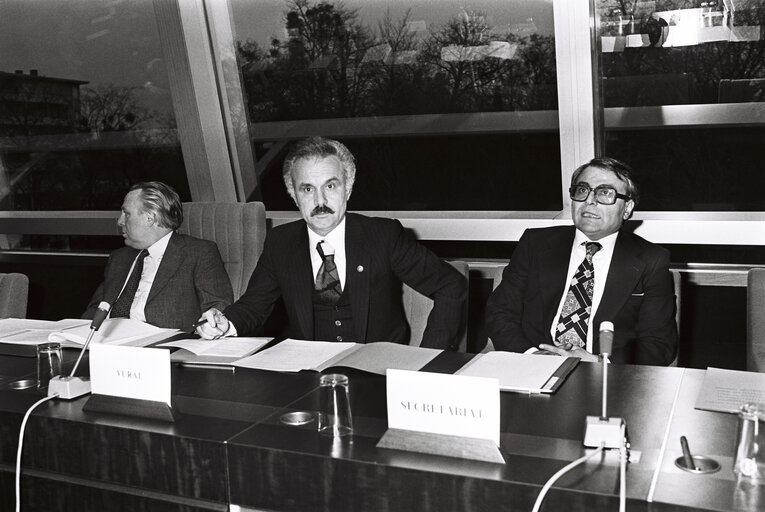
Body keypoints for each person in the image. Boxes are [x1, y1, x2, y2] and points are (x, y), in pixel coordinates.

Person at [197, 136, 467, 350]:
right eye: (307, 189)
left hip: (377, 373)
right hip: (306, 375)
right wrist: (225, 323)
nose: (320, 201)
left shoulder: (383, 236)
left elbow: (451, 286)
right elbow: (254, 305)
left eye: (330, 186)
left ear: (347, 188)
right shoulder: (281, 243)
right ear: (294, 195)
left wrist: (429, 358)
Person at [485, 157, 677, 365]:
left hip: (605, 375)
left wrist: (597, 362)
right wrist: (532, 355)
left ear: (628, 207)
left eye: (605, 193)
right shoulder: (536, 244)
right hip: (531, 365)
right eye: (582, 190)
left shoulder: (651, 259)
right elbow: (500, 311)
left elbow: (658, 343)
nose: (589, 201)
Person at [84, 181, 233, 330]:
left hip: (162, 348)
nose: (120, 221)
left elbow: (217, 310)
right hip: (103, 344)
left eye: (126, 214)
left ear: (150, 218)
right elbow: (95, 311)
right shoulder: (119, 258)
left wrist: (209, 326)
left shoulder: (198, 252)